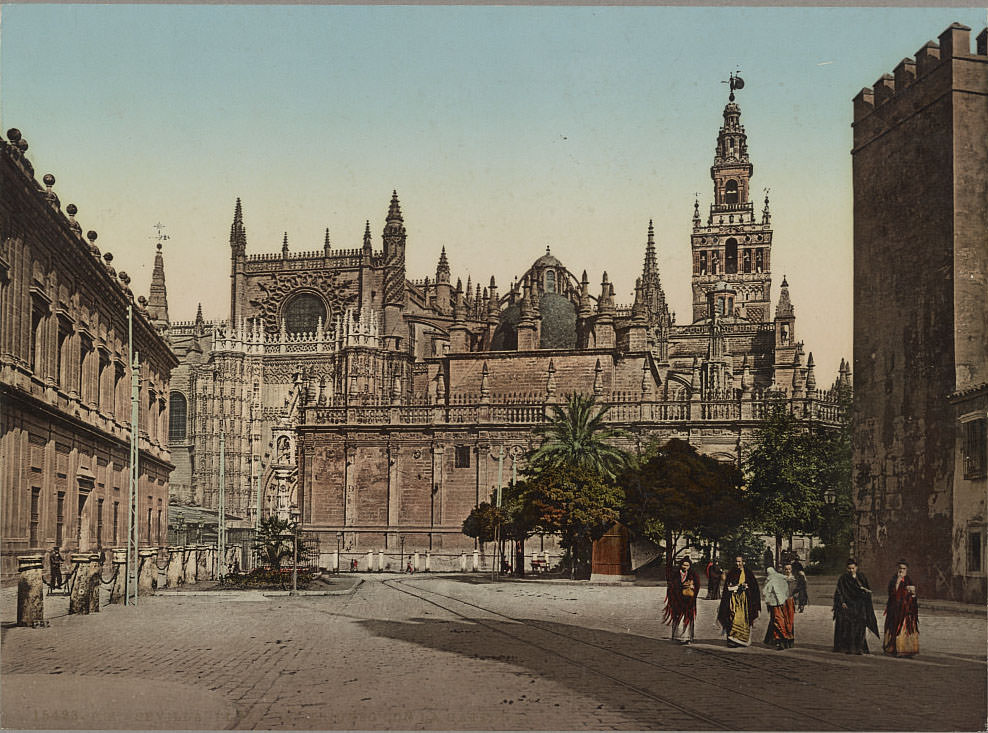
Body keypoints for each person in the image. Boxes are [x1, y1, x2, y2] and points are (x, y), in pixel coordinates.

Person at [832, 558, 879, 654]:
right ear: (846, 569)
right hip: (848, 606)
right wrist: (842, 602)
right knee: (848, 627)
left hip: (859, 606)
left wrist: (864, 590)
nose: (851, 570)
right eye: (849, 568)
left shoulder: (861, 577)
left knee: (860, 627)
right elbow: (839, 592)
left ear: (856, 568)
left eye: (853, 568)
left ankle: (859, 648)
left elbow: (867, 590)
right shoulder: (843, 578)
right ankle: (847, 648)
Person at [717, 555, 761, 647]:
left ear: (743, 562)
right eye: (736, 562)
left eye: (740, 562)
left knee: (743, 619)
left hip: (745, 601)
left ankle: (742, 640)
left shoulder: (748, 573)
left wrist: (747, 589)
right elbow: (727, 587)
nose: (738, 564)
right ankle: (731, 640)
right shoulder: (731, 572)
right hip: (733, 600)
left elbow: (754, 588)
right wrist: (735, 588)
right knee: (732, 618)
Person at [883, 560, 919, 657]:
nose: (901, 571)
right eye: (900, 568)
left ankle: (906, 650)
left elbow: (913, 595)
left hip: (906, 610)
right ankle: (893, 649)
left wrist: (913, 594)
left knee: (906, 628)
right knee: (894, 627)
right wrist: (898, 582)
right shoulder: (893, 580)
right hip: (895, 609)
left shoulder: (909, 580)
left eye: (904, 569)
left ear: (907, 570)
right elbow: (891, 593)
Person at [664, 557, 700, 644]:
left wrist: (693, 587)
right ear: (681, 565)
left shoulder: (693, 574)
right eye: (684, 565)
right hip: (678, 599)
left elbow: (697, 585)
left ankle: (687, 637)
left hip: (689, 601)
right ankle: (677, 637)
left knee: (688, 617)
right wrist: (679, 587)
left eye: (687, 565)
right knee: (678, 617)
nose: (685, 567)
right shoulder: (675, 574)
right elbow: (671, 586)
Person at [763, 565, 795, 649]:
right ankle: (782, 641)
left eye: (789, 569)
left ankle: (783, 641)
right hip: (781, 602)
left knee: (782, 621)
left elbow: (766, 592)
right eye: (786, 569)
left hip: (783, 602)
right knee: (782, 621)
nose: (787, 571)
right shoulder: (780, 577)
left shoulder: (774, 579)